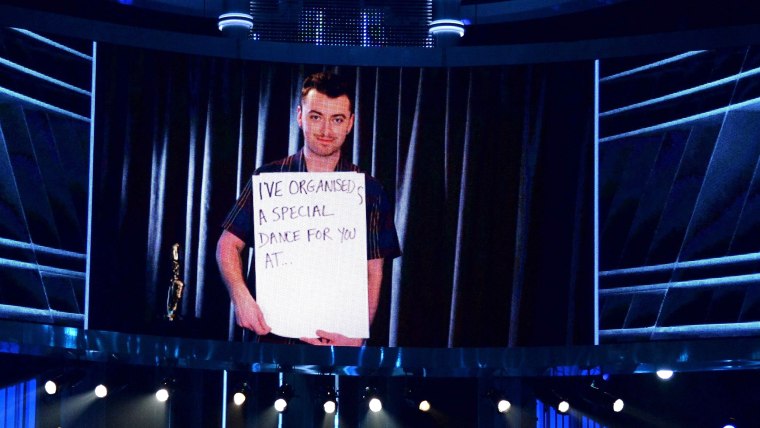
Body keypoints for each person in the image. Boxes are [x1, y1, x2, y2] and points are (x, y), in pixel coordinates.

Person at [216, 71, 401, 347]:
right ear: (300, 116)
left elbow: (374, 269)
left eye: (337, 119)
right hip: (271, 340)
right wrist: (240, 297)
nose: (326, 131)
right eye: (316, 117)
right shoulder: (269, 179)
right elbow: (227, 245)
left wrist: (358, 334)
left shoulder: (369, 190)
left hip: (339, 343)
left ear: (350, 123)